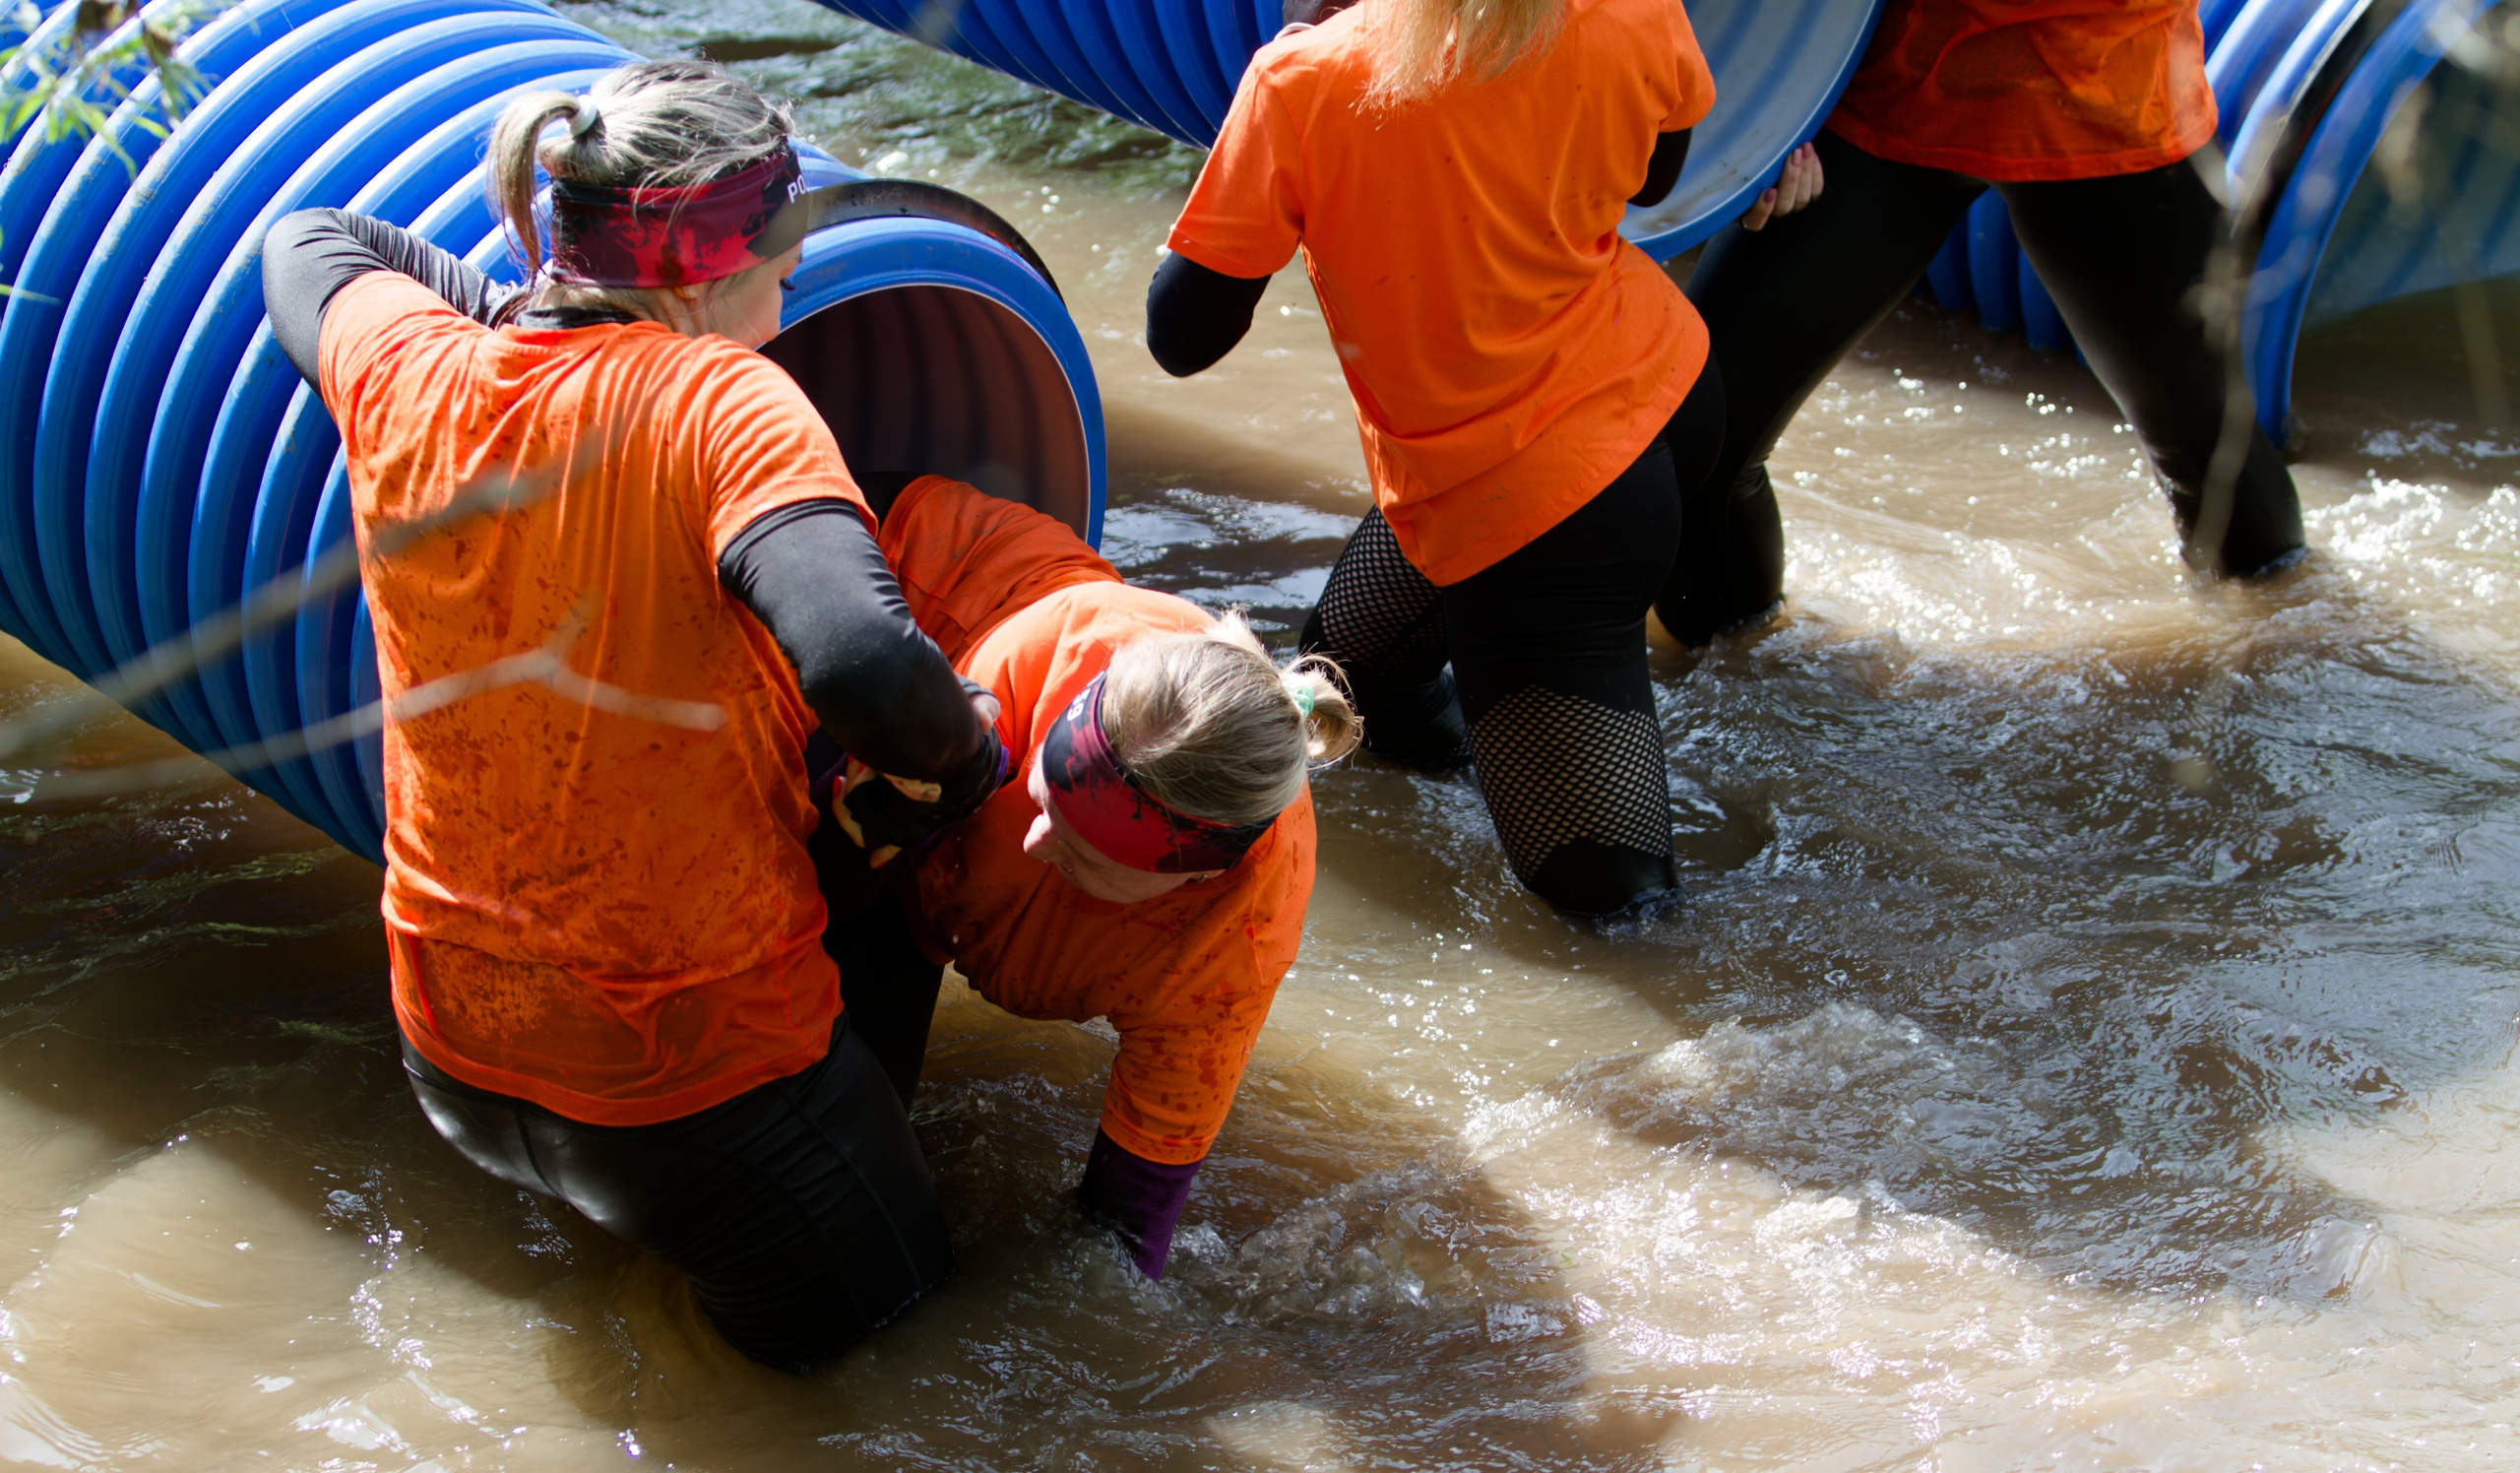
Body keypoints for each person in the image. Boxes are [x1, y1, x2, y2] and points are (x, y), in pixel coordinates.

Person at [259, 62, 1011, 1373]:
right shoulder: (724, 402)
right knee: (908, 1372)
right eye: (784, 264)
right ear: (731, 257)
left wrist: (511, 314)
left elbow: (306, 239)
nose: (787, 305)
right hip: (689, 1070)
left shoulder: (412, 365)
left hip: (457, 1041)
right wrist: (967, 755)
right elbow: (863, 660)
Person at [1146, 0, 1724, 918]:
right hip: (1667, 394)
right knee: (1349, 692)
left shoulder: (1304, 82)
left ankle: (1547, 720)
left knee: (1614, 919)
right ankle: (1524, 720)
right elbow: (1657, 177)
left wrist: (1266, 126)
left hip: (1539, 519)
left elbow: (1180, 336)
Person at [819, 473, 1360, 1281]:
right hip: (886, 579)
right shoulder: (1028, 667)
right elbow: (821, 887)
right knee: (835, 1155)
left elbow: (1133, 1208)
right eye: (1038, 800)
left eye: (1079, 857)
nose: (1034, 841)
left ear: (1188, 882)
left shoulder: (1230, 944)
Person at [1662, 0, 2309, 645]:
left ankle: (2285, 652)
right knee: (1697, 431)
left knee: (2206, 442)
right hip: (1881, 79)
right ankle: (1743, 684)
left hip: (2100, 81)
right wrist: (1745, 127)